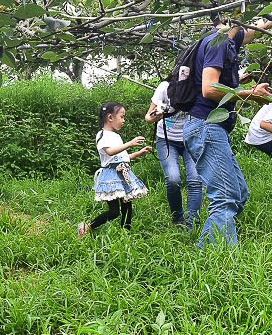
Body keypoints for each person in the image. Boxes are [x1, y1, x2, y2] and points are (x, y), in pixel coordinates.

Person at [182, 13, 272, 247]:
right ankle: (216, 262)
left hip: (212, 129)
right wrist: (247, 94)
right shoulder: (219, 42)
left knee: (239, 194)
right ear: (235, 17)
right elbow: (209, 89)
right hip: (206, 126)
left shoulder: (230, 40)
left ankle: (209, 249)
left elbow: (254, 31)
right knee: (225, 198)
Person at [78, 102, 151, 235]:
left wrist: (138, 153)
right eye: (122, 117)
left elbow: (121, 157)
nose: (123, 121)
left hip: (122, 174)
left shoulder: (116, 136)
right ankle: (87, 227)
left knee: (127, 206)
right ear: (110, 117)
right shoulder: (102, 135)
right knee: (114, 212)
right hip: (110, 176)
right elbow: (110, 152)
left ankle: (126, 234)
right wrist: (130, 143)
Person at [145, 80, 202, 228]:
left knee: (195, 180)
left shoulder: (198, 85)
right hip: (166, 139)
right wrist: (155, 116)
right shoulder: (165, 87)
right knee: (173, 179)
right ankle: (178, 219)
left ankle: (192, 225)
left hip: (191, 138)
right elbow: (148, 118)